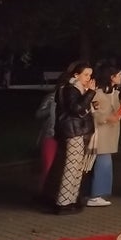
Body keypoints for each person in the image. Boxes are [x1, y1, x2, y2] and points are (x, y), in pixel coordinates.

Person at [51, 62, 97, 214]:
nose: (88, 78)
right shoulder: (71, 89)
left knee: (77, 167)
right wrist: (90, 93)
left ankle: (72, 199)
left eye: (90, 75)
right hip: (73, 132)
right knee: (71, 167)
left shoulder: (77, 89)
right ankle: (63, 202)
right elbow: (76, 109)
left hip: (79, 131)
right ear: (75, 75)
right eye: (85, 75)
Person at [87, 63, 121, 207]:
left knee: (104, 163)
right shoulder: (98, 93)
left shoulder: (114, 93)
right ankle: (96, 195)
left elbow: (118, 113)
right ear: (111, 77)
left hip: (111, 133)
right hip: (100, 134)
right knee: (103, 163)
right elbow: (96, 113)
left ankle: (97, 193)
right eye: (118, 75)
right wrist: (106, 118)